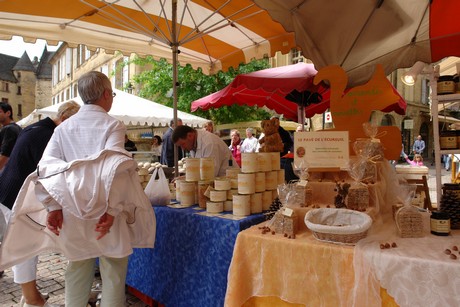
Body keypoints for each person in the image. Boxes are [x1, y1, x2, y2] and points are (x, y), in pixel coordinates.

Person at [2, 71, 156, 307]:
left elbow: (45, 169)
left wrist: (53, 206)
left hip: (71, 211)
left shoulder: (63, 128)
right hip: (105, 211)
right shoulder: (112, 125)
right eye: (112, 94)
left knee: (77, 269)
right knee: (113, 272)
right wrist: (113, 210)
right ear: (106, 94)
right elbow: (117, 169)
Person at [0, 101, 80, 307]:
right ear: (64, 119)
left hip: (10, 192)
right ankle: (32, 299)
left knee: (25, 245)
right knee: (25, 246)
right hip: (15, 196)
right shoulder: (45, 135)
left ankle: (29, 294)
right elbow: (49, 174)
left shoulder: (38, 128)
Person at [172, 125, 236, 177]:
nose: (183, 148)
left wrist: (187, 180)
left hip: (230, 181)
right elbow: (198, 171)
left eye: (183, 144)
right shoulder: (193, 143)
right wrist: (185, 178)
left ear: (190, 135)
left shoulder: (209, 143)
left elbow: (209, 174)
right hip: (220, 183)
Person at [0, 102, 22, 172]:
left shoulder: (9, 129)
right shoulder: (17, 127)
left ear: (8, 113)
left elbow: (5, 154)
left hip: (8, 170)